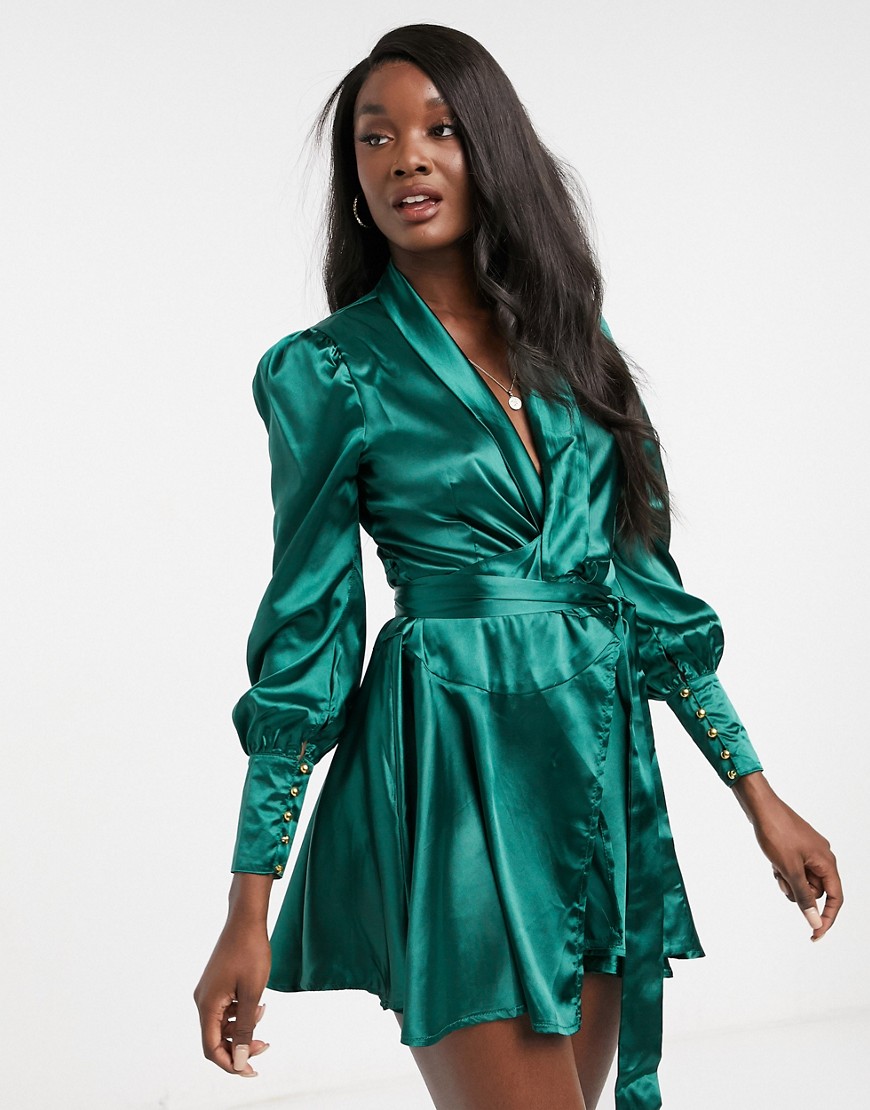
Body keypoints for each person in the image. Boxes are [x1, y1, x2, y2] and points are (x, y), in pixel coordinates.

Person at [193, 23, 843, 1110]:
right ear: (355, 182)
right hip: (451, 768)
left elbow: (649, 597)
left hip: (592, 779)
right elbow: (308, 641)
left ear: (491, 148)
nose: (406, 158)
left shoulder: (577, 345)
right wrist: (246, 904)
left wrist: (759, 798)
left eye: (440, 130)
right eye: (374, 139)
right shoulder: (330, 371)